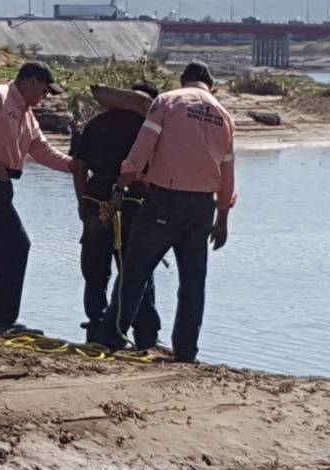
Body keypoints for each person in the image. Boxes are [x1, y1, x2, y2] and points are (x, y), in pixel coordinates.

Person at [95, 61, 236, 363]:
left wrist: (122, 183)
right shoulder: (223, 116)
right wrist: (222, 218)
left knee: (135, 271)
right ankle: (186, 352)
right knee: (193, 283)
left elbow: (143, 145)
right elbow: (227, 171)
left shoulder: (168, 101)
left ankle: (111, 337)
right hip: (202, 207)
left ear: (183, 80)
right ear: (209, 84)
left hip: (164, 200)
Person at [0, 61, 73, 336]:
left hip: (0, 182)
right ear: (32, 81)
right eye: (45, 90)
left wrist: (74, 166)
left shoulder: (27, 114)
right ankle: (3, 320)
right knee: (17, 245)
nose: (44, 97)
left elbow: (41, 150)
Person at [72, 82, 162, 348]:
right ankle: (145, 335)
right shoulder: (151, 128)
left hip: (94, 198)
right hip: (132, 201)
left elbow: (78, 167)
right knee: (136, 268)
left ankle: (97, 328)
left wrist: (81, 203)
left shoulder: (95, 124)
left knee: (95, 269)